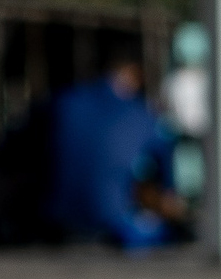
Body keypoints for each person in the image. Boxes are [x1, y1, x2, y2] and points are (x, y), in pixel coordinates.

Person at [46, 59, 184, 250]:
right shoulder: (142, 115)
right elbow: (166, 179)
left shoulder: (61, 103)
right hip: (111, 224)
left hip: (53, 222)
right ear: (132, 73)